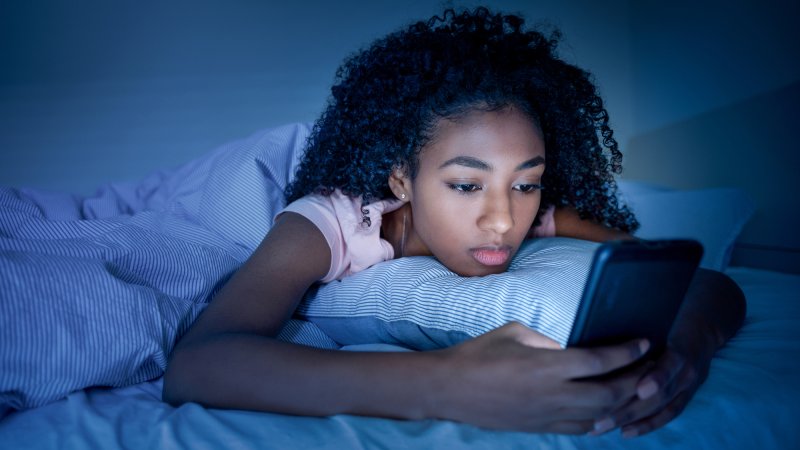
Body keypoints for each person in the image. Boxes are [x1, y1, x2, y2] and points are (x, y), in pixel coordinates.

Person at [163, 7, 745, 437]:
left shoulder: (533, 213)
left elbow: (692, 273)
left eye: (525, 181)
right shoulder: (330, 221)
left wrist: (687, 349)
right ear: (400, 180)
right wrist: (447, 384)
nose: (501, 220)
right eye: (466, 185)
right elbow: (197, 363)